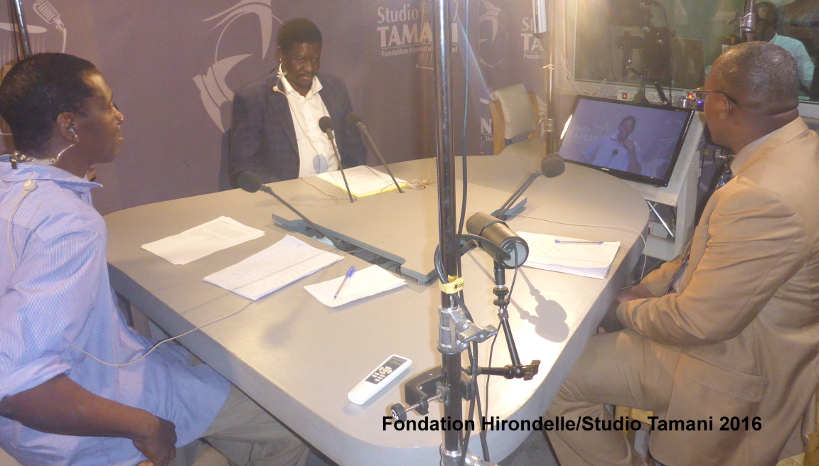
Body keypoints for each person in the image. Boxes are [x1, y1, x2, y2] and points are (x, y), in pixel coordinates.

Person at [0, 53, 310, 466]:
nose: (119, 116)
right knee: (289, 422)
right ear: (70, 126)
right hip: (84, 423)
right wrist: (144, 426)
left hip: (46, 415)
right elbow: (15, 384)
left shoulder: (12, 183)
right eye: (107, 105)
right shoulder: (68, 225)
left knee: (200, 363)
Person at [545, 41, 819, 465]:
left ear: (724, 105)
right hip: (746, 334)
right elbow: (699, 257)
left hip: (734, 368)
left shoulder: (763, 197)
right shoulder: (800, 150)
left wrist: (622, 312)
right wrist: (644, 289)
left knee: (557, 380)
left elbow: (699, 322)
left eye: (703, 97)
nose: (700, 106)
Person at [228, 18, 366, 186]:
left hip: (341, 190)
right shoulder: (254, 99)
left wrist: (350, 184)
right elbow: (245, 165)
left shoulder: (336, 89)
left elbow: (354, 149)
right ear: (281, 54)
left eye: (315, 59)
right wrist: (286, 192)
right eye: (301, 60)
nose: (309, 68)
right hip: (287, 196)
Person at [757, 1, 815, 92]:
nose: (752, 27)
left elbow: (809, 79)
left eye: (758, 23)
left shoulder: (793, 46)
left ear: (772, 23)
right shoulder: (743, 46)